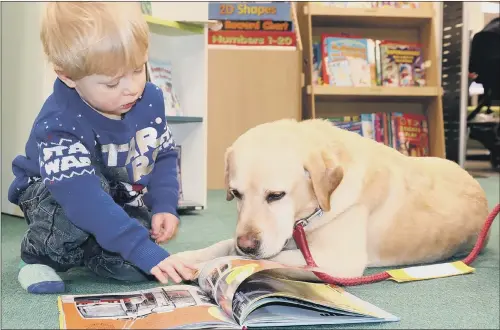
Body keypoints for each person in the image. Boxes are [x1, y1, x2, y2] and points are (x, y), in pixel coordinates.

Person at [7, 2, 196, 294]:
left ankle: (91, 250)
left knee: (137, 263)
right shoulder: (59, 122)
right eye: (111, 83)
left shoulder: (149, 99)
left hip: (113, 194)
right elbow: (83, 197)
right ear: (68, 76)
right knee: (85, 213)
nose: (132, 88)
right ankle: (38, 255)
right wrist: (137, 246)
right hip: (54, 194)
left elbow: (163, 154)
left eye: (137, 69)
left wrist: (164, 205)